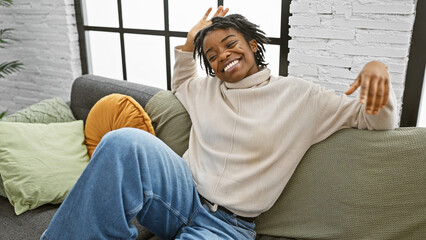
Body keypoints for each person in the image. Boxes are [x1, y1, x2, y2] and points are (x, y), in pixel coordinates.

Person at [41, 6, 397, 240]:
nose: (223, 57)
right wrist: (188, 44)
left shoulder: (301, 96)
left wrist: (379, 72)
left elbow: (375, 121)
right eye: (212, 55)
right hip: (179, 193)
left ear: (253, 45)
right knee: (122, 142)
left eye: (230, 45)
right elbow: (180, 85)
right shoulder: (206, 90)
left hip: (229, 225)